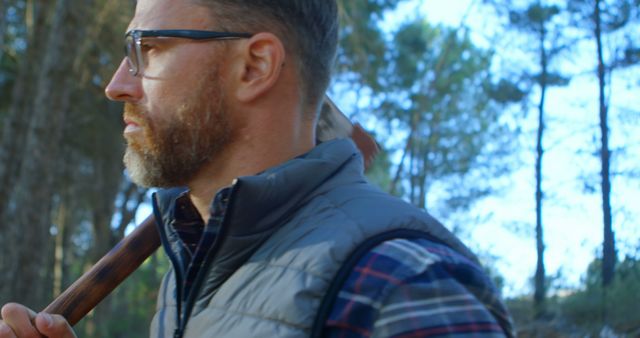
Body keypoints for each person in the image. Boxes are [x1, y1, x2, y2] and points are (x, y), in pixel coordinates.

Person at [0, 0, 515, 337]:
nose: (117, 85)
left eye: (148, 49)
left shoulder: (402, 289)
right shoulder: (192, 268)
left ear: (255, 67)